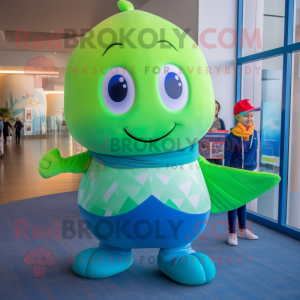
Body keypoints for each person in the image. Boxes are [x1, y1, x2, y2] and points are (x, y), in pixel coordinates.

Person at [224, 99, 261, 246]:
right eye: (246, 115)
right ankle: (232, 233)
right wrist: (227, 175)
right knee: (233, 203)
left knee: (243, 201)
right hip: (234, 173)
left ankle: (243, 230)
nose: (250, 119)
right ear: (237, 117)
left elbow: (254, 152)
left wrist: (255, 168)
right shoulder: (231, 136)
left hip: (248, 173)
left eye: (251, 115)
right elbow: (226, 157)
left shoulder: (255, 133)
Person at [207, 100, 226, 165]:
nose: (214, 110)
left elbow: (225, 136)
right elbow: (200, 134)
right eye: (213, 108)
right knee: (210, 169)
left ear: (218, 111)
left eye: (216, 108)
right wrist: (209, 131)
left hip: (218, 151)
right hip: (207, 151)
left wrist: (217, 132)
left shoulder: (221, 121)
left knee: (219, 168)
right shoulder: (205, 121)